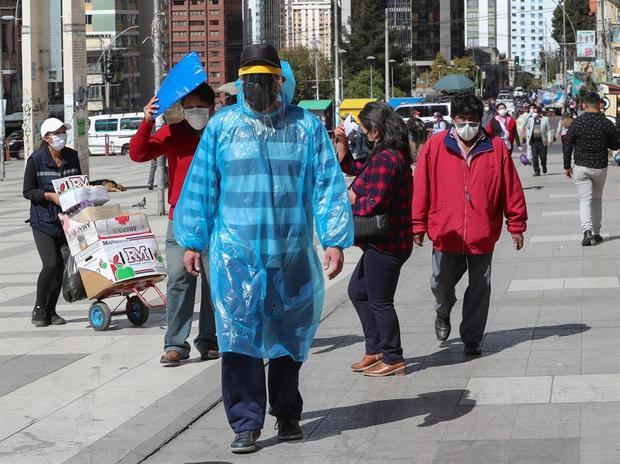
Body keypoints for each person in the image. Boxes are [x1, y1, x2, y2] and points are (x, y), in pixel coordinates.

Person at [173, 44, 354, 454]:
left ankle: (287, 414)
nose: (256, 88)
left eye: (264, 80)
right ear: (240, 85)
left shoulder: (305, 128)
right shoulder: (222, 128)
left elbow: (327, 185)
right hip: (235, 258)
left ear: (279, 82)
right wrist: (192, 241)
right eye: (249, 81)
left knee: (289, 342)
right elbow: (201, 186)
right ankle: (245, 423)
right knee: (238, 342)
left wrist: (335, 239)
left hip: (290, 255)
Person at [412, 94, 527, 356]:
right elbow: (421, 188)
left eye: (472, 121)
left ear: (480, 121)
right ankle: (443, 310)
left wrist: (516, 224)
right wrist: (418, 224)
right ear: (453, 120)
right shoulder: (434, 146)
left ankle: (472, 337)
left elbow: (511, 188)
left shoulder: (495, 147)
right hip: (446, 231)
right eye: (462, 120)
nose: (467, 126)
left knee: (480, 287)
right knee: (439, 281)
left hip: (482, 231)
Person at [129, 82, 219, 365]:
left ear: (211, 107)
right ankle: (175, 344)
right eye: (188, 107)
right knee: (179, 281)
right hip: (179, 220)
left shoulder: (221, 133)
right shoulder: (173, 132)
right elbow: (138, 153)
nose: (193, 112)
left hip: (216, 218)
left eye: (199, 107)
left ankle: (210, 340)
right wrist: (147, 121)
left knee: (214, 284)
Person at [334, 102, 413, 377]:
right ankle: (375, 348)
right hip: (383, 242)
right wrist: (342, 143)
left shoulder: (388, 159)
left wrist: (351, 197)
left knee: (380, 301)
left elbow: (373, 202)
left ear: (376, 131)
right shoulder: (387, 155)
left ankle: (393, 357)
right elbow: (357, 168)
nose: (365, 136)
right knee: (358, 291)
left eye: (366, 132)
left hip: (387, 242)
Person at [23, 118, 81, 327]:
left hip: (66, 221)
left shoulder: (72, 157)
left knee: (62, 267)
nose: (62, 136)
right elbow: (28, 191)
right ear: (47, 138)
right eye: (58, 133)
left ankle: (51, 310)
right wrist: (49, 196)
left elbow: (78, 183)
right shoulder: (36, 160)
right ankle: (39, 308)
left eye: (63, 132)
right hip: (43, 221)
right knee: (51, 264)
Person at [563, 92, 620, 246]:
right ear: (600, 104)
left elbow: (568, 145)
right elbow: (615, 145)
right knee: (596, 200)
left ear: (583, 105)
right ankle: (597, 232)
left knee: (585, 200)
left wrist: (567, 166)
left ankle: (587, 232)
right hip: (600, 167)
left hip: (581, 167)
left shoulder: (577, 122)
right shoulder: (606, 123)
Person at [526, 105, 550, 176]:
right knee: (534, 157)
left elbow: (549, 130)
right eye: (534, 112)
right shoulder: (531, 119)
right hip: (534, 141)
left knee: (543, 157)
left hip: (542, 141)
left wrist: (549, 139)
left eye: (536, 112)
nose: (535, 113)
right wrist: (529, 115)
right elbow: (526, 125)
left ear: (540, 113)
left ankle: (544, 165)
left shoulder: (545, 119)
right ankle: (537, 171)